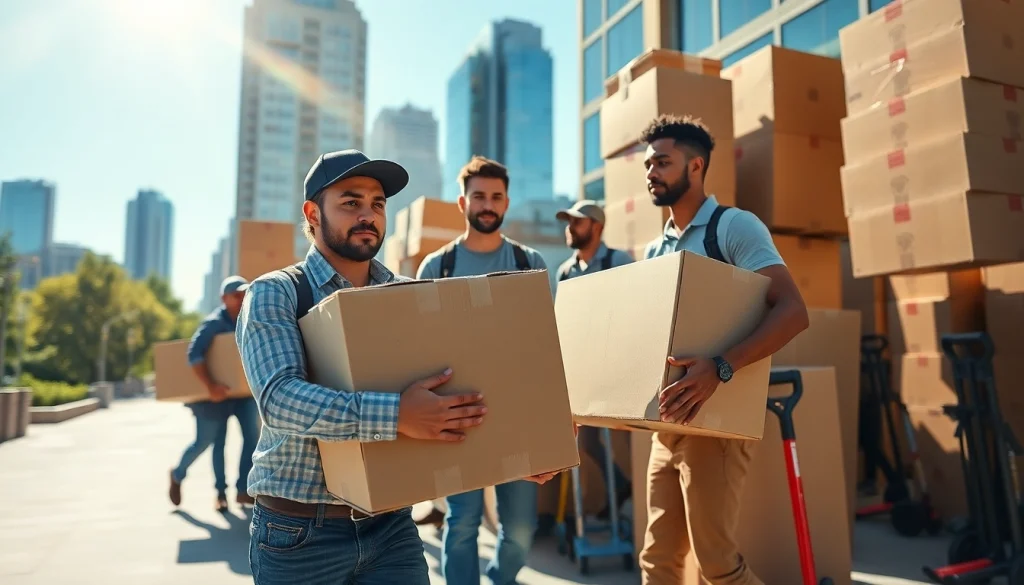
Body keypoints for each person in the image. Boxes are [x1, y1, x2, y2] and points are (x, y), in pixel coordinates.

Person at [235, 149, 552, 585]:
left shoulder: (408, 294)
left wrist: (510, 452)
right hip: (300, 533)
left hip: (391, 529)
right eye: (351, 202)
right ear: (313, 213)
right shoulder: (277, 293)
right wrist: (397, 414)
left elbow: (453, 391)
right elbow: (280, 401)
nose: (368, 215)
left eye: (377, 204)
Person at [636, 114, 809, 585]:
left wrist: (720, 368)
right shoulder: (654, 250)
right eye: (648, 164)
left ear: (696, 167)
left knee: (716, 563)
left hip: (716, 423)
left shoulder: (732, 227)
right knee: (657, 560)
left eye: (662, 162)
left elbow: (793, 310)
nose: (651, 172)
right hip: (666, 424)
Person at [416, 155, 550, 585]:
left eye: (495, 197)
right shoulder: (438, 267)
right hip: (459, 416)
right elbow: (422, 348)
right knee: (462, 525)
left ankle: (499, 580)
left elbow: (546, 346)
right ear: (463, 202)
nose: (487, 205)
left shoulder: (529, 262)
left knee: (521, 531)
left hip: (518, 418)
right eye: (478, 197)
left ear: (506, 202)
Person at [554, 199, 634, 519]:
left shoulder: (619, 261)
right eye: (568, 222)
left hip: (619, 369)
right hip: (582, 373)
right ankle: (621, 487)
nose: (569, 228)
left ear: (597, 227)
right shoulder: (565, 271)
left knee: (626, 442)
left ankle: (627, 505)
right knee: (585, 442)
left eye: (577, 222)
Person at [169, 275, 260, 512]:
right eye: (236, 295)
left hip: (243, 394)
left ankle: (243, 489)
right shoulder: (214, 324)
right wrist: (211, 386)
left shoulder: (250, 319)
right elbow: (194, 355)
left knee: (252, 437)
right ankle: (185, 477)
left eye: (245, 294)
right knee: (210, 442)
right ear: (224, 299)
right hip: (215, 397)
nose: (241, 299)